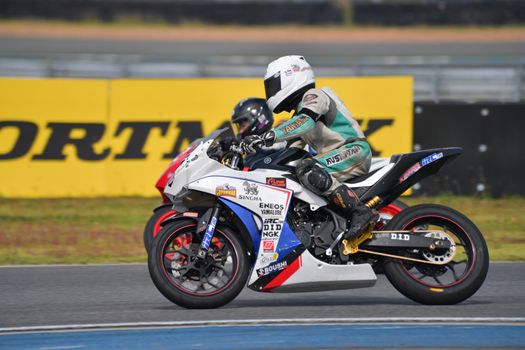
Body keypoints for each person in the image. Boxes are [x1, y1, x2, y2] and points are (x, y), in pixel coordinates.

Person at [241, 55, 378, 241]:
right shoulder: (299, 114)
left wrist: (269, 135)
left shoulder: (315, 96)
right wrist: (252, 154)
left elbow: (304, 122)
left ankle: (360, 212)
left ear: (290, 77)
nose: (270, 92)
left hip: (353, 150)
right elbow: (288, 150)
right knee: (289, 170)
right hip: (336, 157)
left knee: (307, 168)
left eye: (273, 86)